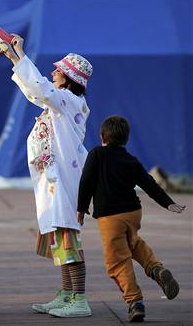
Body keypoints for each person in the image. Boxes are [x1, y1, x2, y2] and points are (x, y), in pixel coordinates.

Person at [0, 35, 93, 317]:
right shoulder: (61, 103)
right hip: (54, 185)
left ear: (68, 79)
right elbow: (35, 92)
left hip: (63, 186)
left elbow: (40, 89)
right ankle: (67, 294)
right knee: (60, 244)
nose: (53, 72)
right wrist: (16, 59)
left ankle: (79, 299)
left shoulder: (69, 102)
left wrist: (21, 55)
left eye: (58, 71)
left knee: (68, 243)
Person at [77, 115, 185, 322]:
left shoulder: (97, 154)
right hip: (133, 213)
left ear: (102, 137)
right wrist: (167, 202)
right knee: (132, 243)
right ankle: (155, 269)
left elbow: (86, 181)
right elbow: (149, 183)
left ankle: (135, 302)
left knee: (117, 261)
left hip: (111, 217)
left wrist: (81, 208)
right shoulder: (131, 160)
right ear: (126, 139)